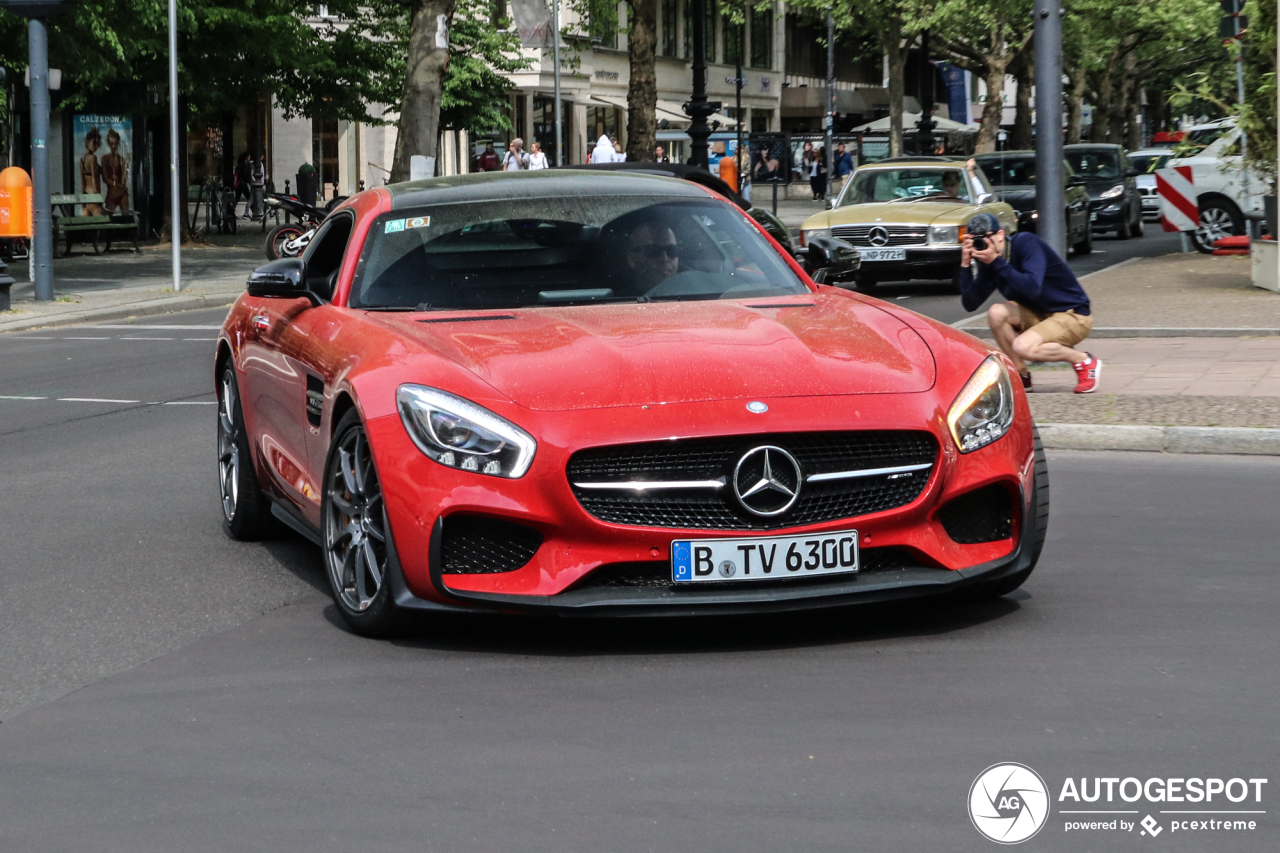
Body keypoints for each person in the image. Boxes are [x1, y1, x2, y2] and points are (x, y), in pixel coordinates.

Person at [958, 212, 1101, 394]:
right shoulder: (990, 264)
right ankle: (1021, 375)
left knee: (1023, 346)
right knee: (996, 312)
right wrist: (965, 264)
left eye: (986, 238)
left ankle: (1085, 361)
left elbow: (1032, 287)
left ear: (1000, 235)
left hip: (1073, 314)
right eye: (975, 240)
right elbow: (970, 303)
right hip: (1039, 313)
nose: (982, 245)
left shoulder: (1026, 243)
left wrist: (997, 261)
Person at [625, 218, 680, 291]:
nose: (665, 258)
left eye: (671, 250)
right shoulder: (614, 300)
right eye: (654, 251)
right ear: (632, 259)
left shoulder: (692, 291)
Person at [101, 128, 129, 212]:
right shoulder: (105, 158)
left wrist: (127, 164)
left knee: (126, 218)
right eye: (111, 144)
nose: (114, 146)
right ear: (109, 144)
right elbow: (105, 179)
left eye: (116, 144)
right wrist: (118, 184)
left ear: (118, 144)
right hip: (111, 194)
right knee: (108, 219)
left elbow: (124, 181)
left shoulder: (122, 160)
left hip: (122, 194)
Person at [80, 127, 103, 215]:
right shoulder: (93, 158)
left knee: (87, 227)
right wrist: (98, 197)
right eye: (94, 143)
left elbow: (83, 182)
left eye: (98, 144)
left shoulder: (82, 160)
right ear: (88, 142)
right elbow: (94, 179)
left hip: (86, 196)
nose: (96, 146)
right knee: (102, 224)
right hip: (94, 196)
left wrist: (83, 203)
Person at [248, 153, 267, 220]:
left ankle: (263, 211)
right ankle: (247, 212)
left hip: (258, 183)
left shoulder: (256, 164)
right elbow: (252, 174)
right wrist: (256, 181)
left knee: (254, 198)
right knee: (252, 198)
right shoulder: (256, 165)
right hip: (257, 184)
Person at [234, 152, 252, 217]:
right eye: (249, 156)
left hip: (239, 184)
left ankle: (232, 211)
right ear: (247, 157)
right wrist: (249, 181)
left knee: (237, 198)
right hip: (243, 184)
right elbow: (245, 174)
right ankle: (248, 212)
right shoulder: (244, 165)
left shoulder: (239, 165)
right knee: (249, 198)